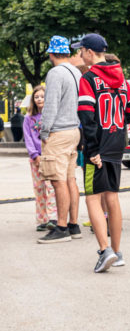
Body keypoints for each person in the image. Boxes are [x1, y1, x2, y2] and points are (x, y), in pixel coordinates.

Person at [76, 33, 130, 272]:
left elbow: (87, 116)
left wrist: (92, 148)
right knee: (112, 197)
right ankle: (117, 251)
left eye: (81, 50)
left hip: (97, 145)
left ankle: (104, 249)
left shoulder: (88, 78)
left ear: (90, 52)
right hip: (117, 142)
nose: (79, 54)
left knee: (92, 197)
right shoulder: (123, 80)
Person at [37, 36, 83, 244]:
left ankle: (62, 227)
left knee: (58, 181)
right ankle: (73, 224)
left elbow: (51, 105)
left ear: (50, 53)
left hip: (59, 132)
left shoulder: (55, 73)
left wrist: (44, 132)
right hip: (74, 129)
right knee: (70, 179)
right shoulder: (76, 71)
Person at [24, 85, 57, 231]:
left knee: (51, 188)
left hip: (50, 157)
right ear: (33, 100)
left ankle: (52, 218)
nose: (39, 99)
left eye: (42, 96)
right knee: (39, 190)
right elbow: (28, 138)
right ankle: (42, 219)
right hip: (35, 159)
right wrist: (34, 155)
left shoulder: (52, 116)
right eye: (36, 97)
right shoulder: (28, 118)